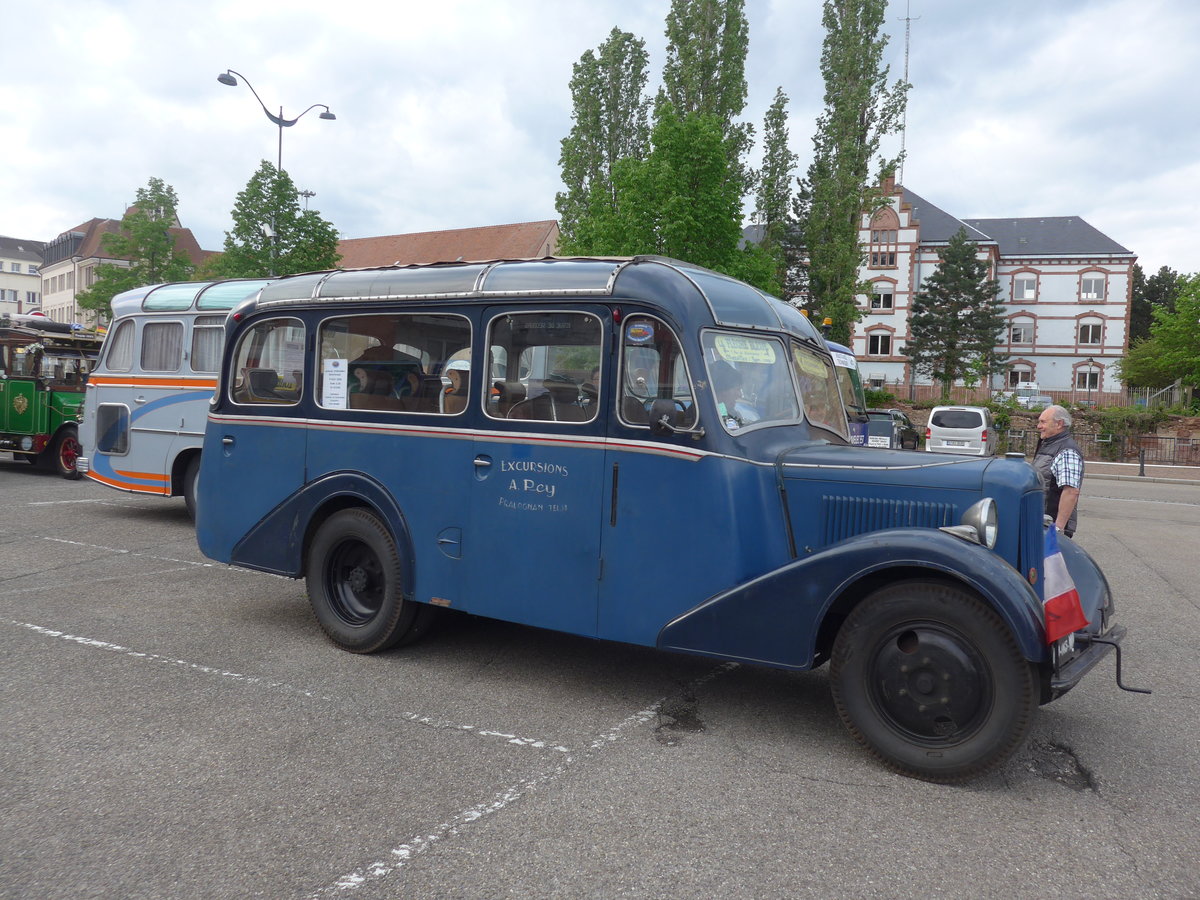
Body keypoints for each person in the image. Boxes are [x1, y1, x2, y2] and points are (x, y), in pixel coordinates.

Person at [1034, 404, 1084, 537]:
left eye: (1043, 422)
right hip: (1042, 523)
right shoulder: (1049, 445)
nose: (1038, 426)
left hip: (1050, 527)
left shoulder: (1067, 451)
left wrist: (1057, 529)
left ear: (1059, 424)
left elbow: (1071, 491)